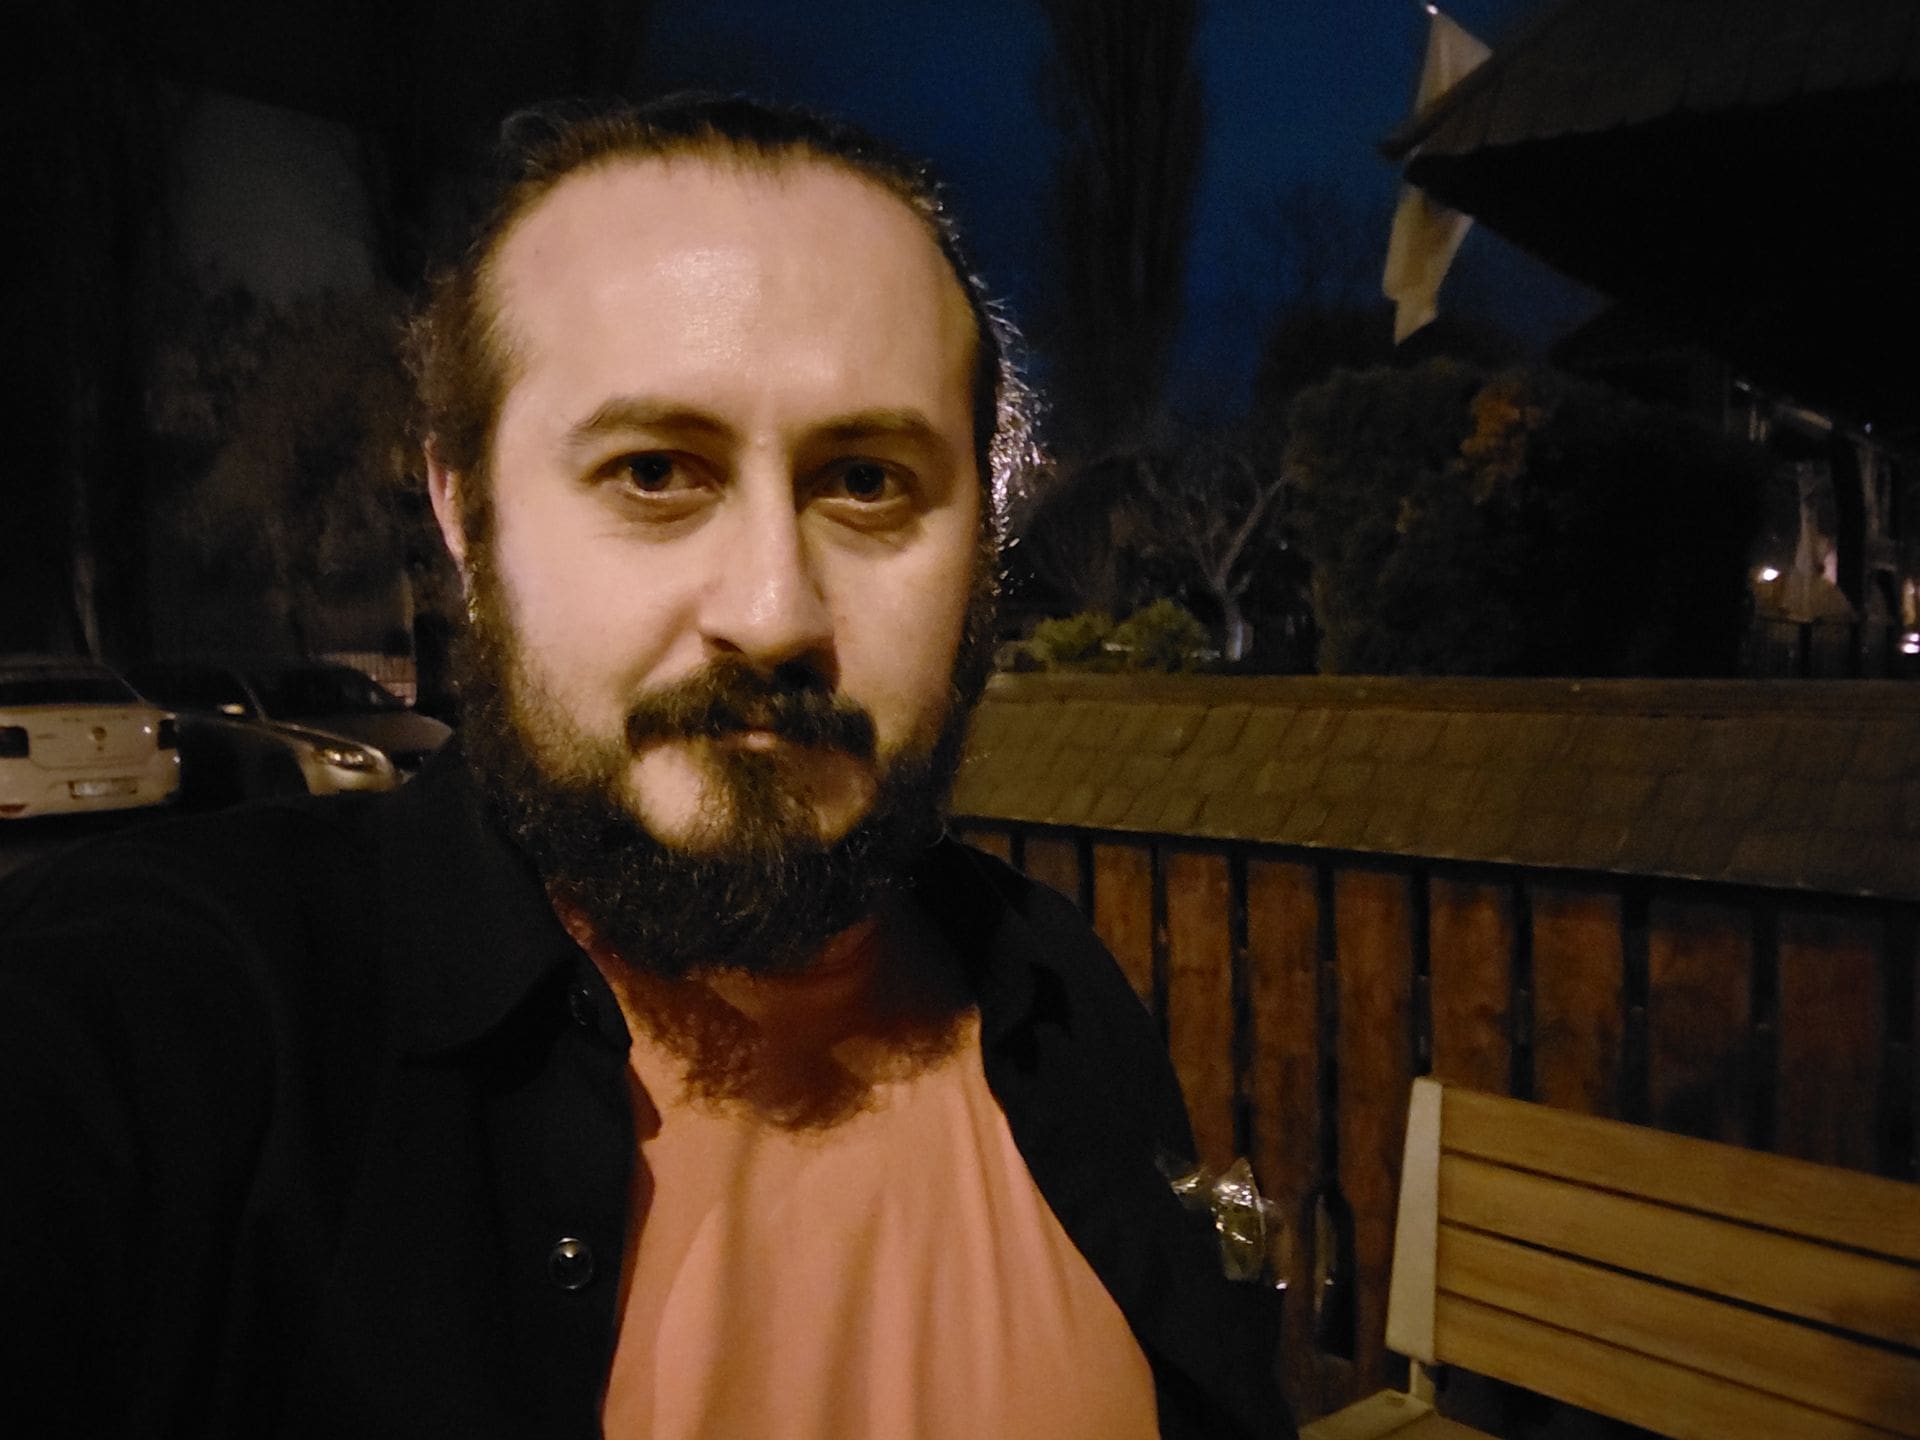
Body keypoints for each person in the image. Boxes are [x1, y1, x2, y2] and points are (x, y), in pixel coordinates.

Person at [0, 95, 1291, 1439]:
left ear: (984, 535)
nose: (774, 611)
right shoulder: (159, 1024)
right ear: (465, 511)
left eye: (865, 481)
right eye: (656, 470)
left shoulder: (1056, 991)